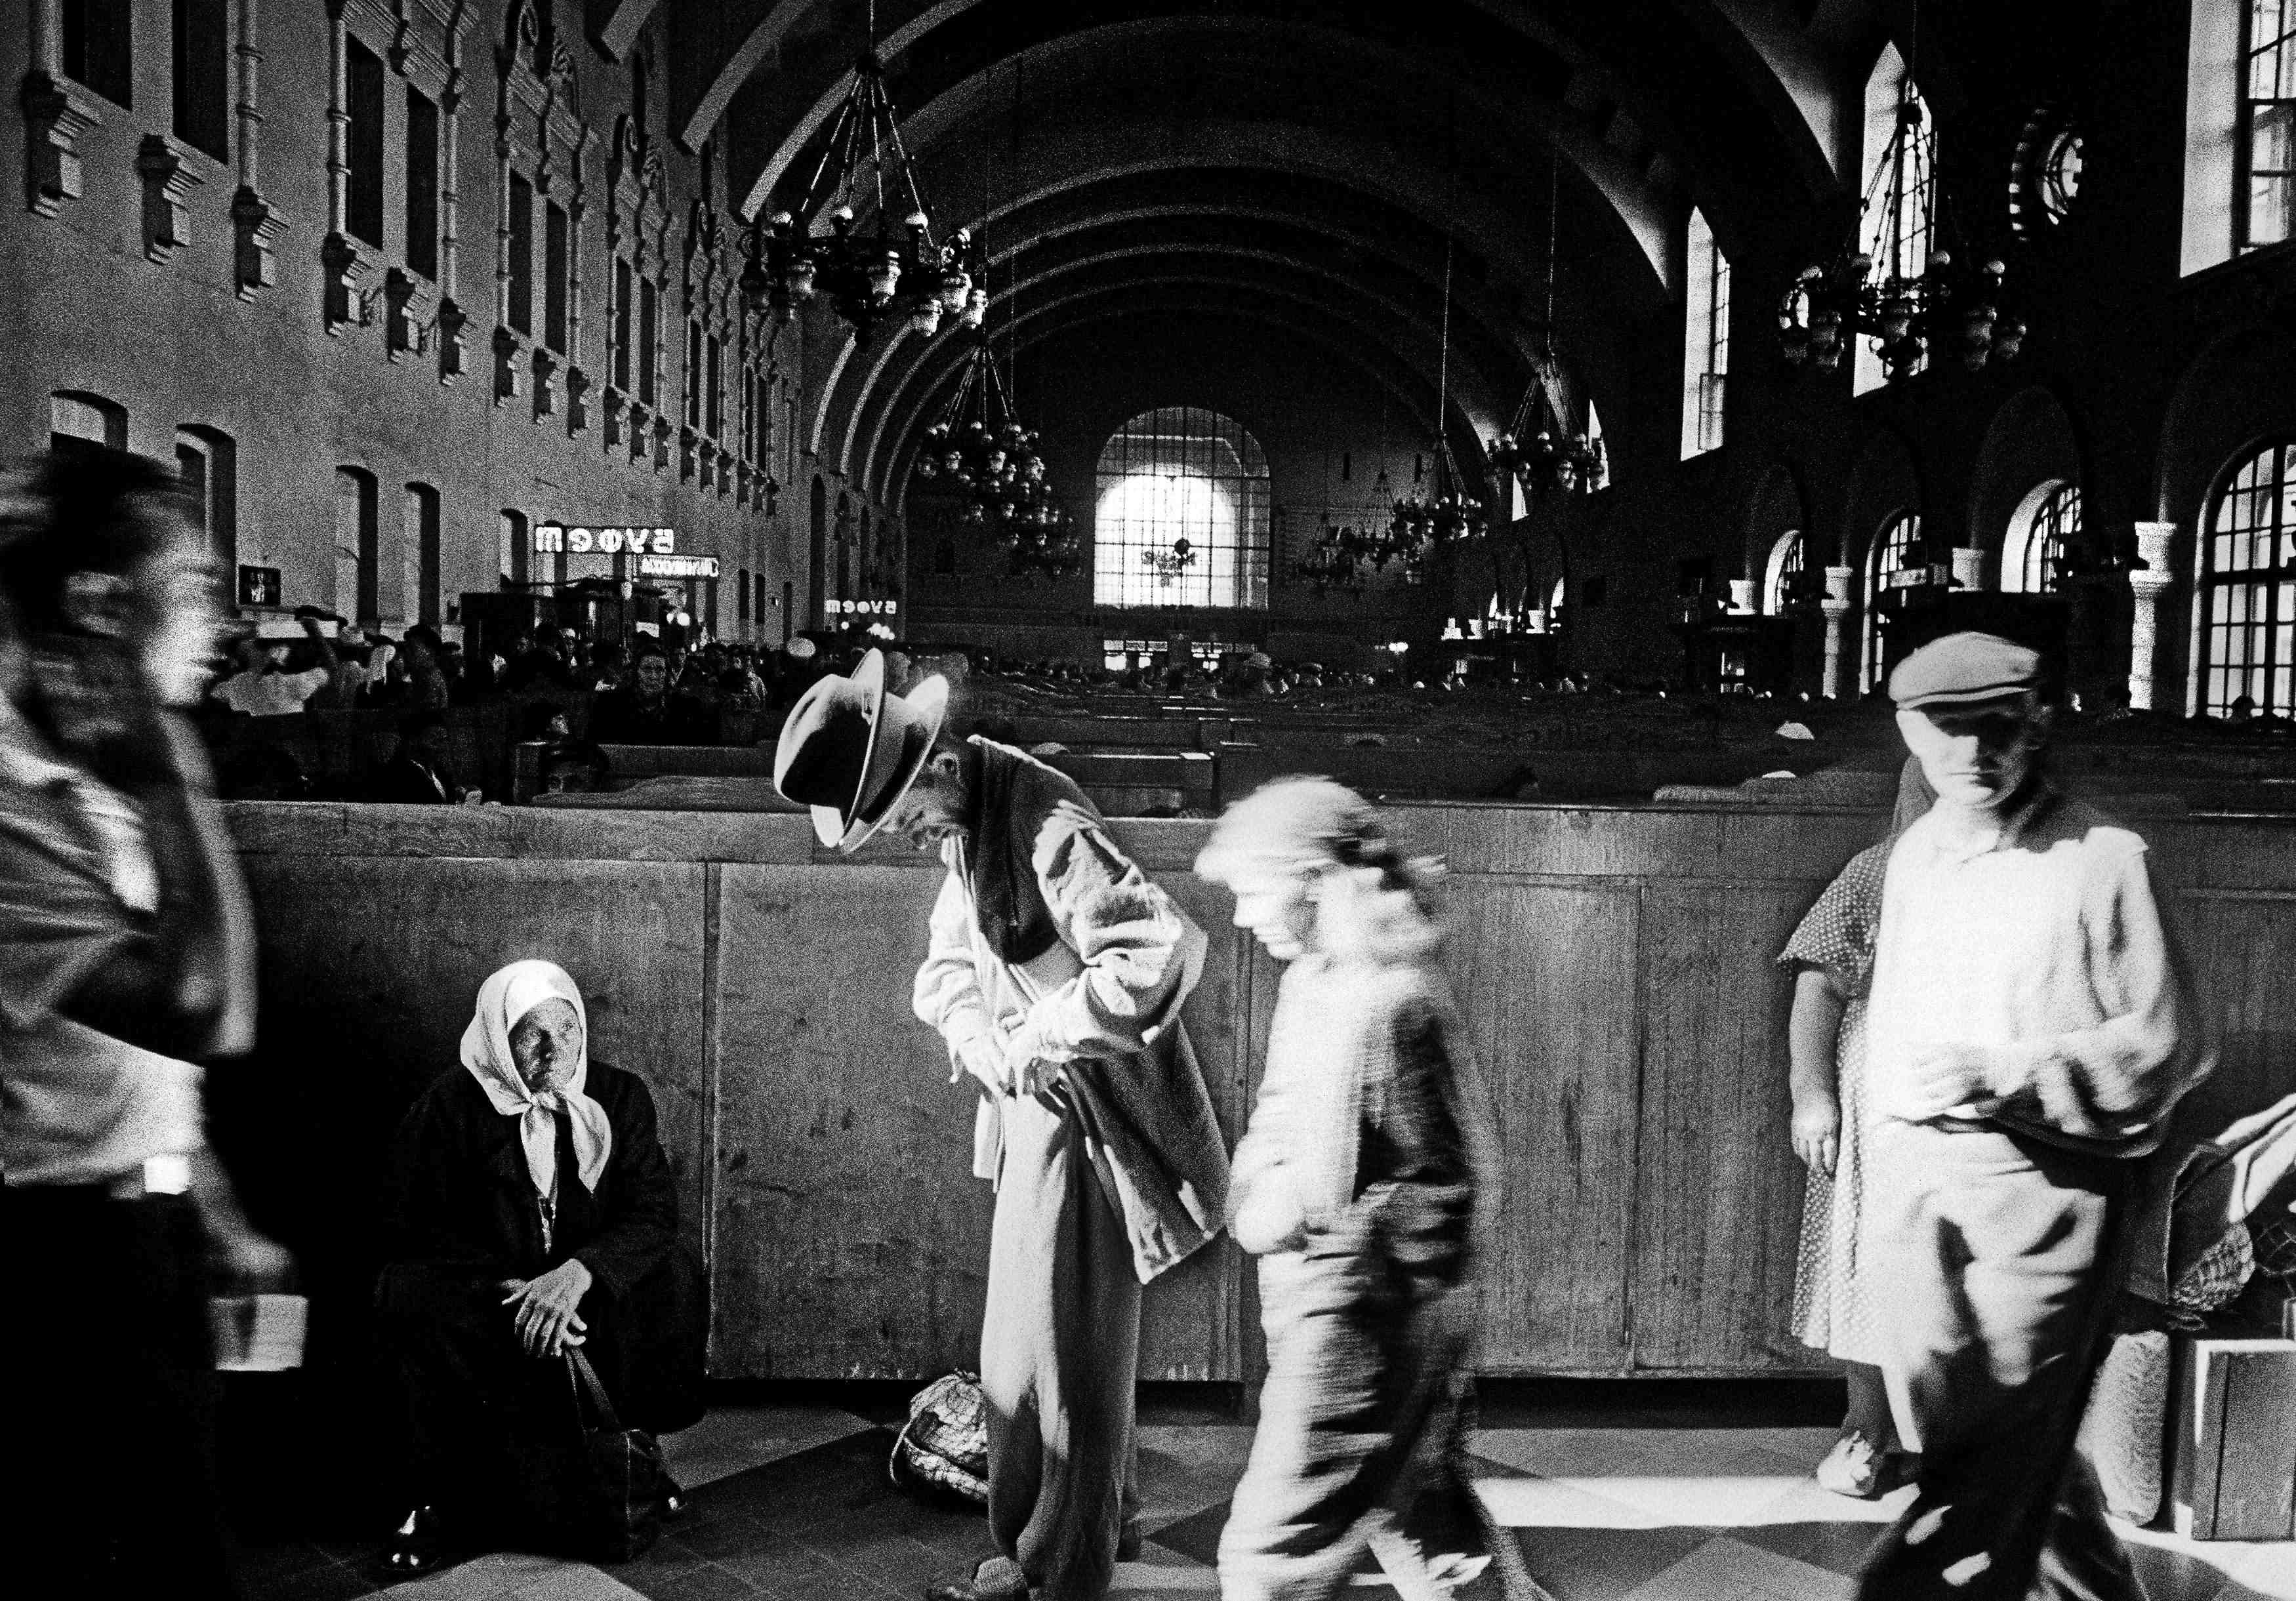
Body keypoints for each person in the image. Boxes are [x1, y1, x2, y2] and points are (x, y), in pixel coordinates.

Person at [773, 650, 1230, 1601]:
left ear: (932, 766)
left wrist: (1040, 1038)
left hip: (1095, 1110)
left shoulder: (1042, 814)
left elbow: (1160, 951)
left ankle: (1059, 1571)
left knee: (1066, 1361)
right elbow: (948, 963)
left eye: (899, 816)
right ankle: (1076, 1531)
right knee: (1024, 1353)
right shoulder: (965, 818)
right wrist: (977, 1031)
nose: (906, 836)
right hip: (1037, 1107)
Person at [1852, 633, 2213, 1601]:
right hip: (1918, 1196)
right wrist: (1886, 1171)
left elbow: (2174, 1041)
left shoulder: (2104, 859)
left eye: (1997, 728)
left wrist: (2011, 1074)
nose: (1974, 756)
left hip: (2047, 1204)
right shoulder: (1917, 856)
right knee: (2024, 1466)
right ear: (1907, 731)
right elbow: (1893, 1038)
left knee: (1973, 1489)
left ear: (2038, 723)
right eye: (1945, 731)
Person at [0, 447, 292, 1600]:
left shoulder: (82, 768)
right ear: (101, 603)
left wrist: (204, 1204)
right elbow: (203, 1008)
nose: (222, 619)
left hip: (133, 1234)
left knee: (185, 1547)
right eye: (194, 582)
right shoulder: (14, 801)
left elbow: (113, 1054)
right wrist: (176, 761)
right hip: (47, 1267)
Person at [1196, 779, 1534, 1601]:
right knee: (1430, 1529)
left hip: (1369, 1323)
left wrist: (1335, 1247)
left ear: (1313, 881)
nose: (1242, 915)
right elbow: (1277, 1118)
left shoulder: (1392, 1000)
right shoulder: (1318, 979)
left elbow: (1447, 1185)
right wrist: (1258, 1195)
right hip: (1336, 1303)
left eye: (1252, 890)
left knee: (1271, 1557)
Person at [374, 960, 706, 1574]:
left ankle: (637, 1455)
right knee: (408, 1291)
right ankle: (428, 1496)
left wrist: (579, 1275)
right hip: (494, 1291)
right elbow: (417, 1224)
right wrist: (516, 1289)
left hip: (581, 1287)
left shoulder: (619, 1096)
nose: (557, 1051)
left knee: (674, 1271)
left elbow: (652, 1211)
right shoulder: (447, 1108)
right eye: (533, 1034)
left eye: (569, 1030)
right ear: (500, 1036)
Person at [1778, 756, 1933, 1497]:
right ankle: (1865, 1422)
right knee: (1865, 1263)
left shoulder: (2030, 879)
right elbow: (1819, 983)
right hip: (1879, 1105)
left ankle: (1953, 1434)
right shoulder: (1879, 870)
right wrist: (1810, 1093)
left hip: (1983, 1105)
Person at [207, 610, 337, 716]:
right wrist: (314, 630)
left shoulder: (235, 685)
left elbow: (215, 692)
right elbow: (331, 669)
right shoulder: (286, 684)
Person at [590, 642, 710, 744]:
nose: (653, 676)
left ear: (666, 675)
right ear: (636, 673)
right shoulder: (610, 706)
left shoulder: (685, 708)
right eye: (647, 669)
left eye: (659, 670)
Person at [371, 709, 480, 805]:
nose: (442, 747)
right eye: (435, 741)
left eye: (443, 740)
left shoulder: (438, 771)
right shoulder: (397, 776)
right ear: (412, 741)